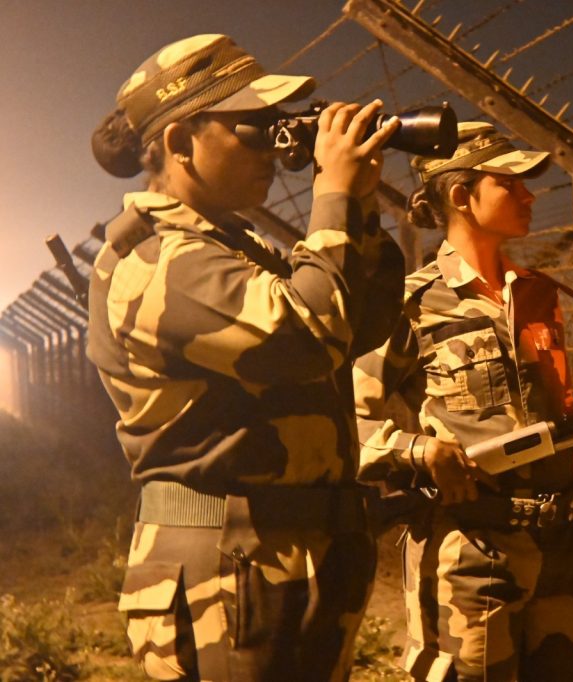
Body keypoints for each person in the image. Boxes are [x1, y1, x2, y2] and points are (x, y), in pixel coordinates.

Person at [87, 33, 405, 680]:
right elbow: (308, 338)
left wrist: (360, 203)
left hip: (288, 560)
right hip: (226, 571)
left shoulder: (233, 249)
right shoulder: (158, 261)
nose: (271, 147)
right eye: (250, 129)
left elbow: (359, 326)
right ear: (180, 142)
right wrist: (332, 196)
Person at [353, 122, 573, 681]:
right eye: (509, 184)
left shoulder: (539, 293)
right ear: (461, 196)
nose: (528, 195)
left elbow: (555, 416)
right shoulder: (411, 304)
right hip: (473, 554)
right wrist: (421, 452)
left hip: (566, 546)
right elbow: (348, 419)